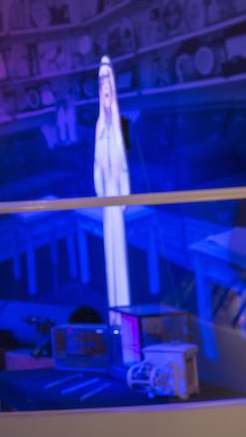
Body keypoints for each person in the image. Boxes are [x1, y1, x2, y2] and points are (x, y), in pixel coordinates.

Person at [93, 56, 131, 311]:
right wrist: (103, 173)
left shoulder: (120, 124)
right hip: (107, 193)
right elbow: (97, 164)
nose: (105, 86)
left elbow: (125, 159)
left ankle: (124, 304)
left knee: (121, 250)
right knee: (110, 248)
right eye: (101, 82)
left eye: (108, 80)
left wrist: (121, 181)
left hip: (118, 190)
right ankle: (114, 307)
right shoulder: (99, 126)